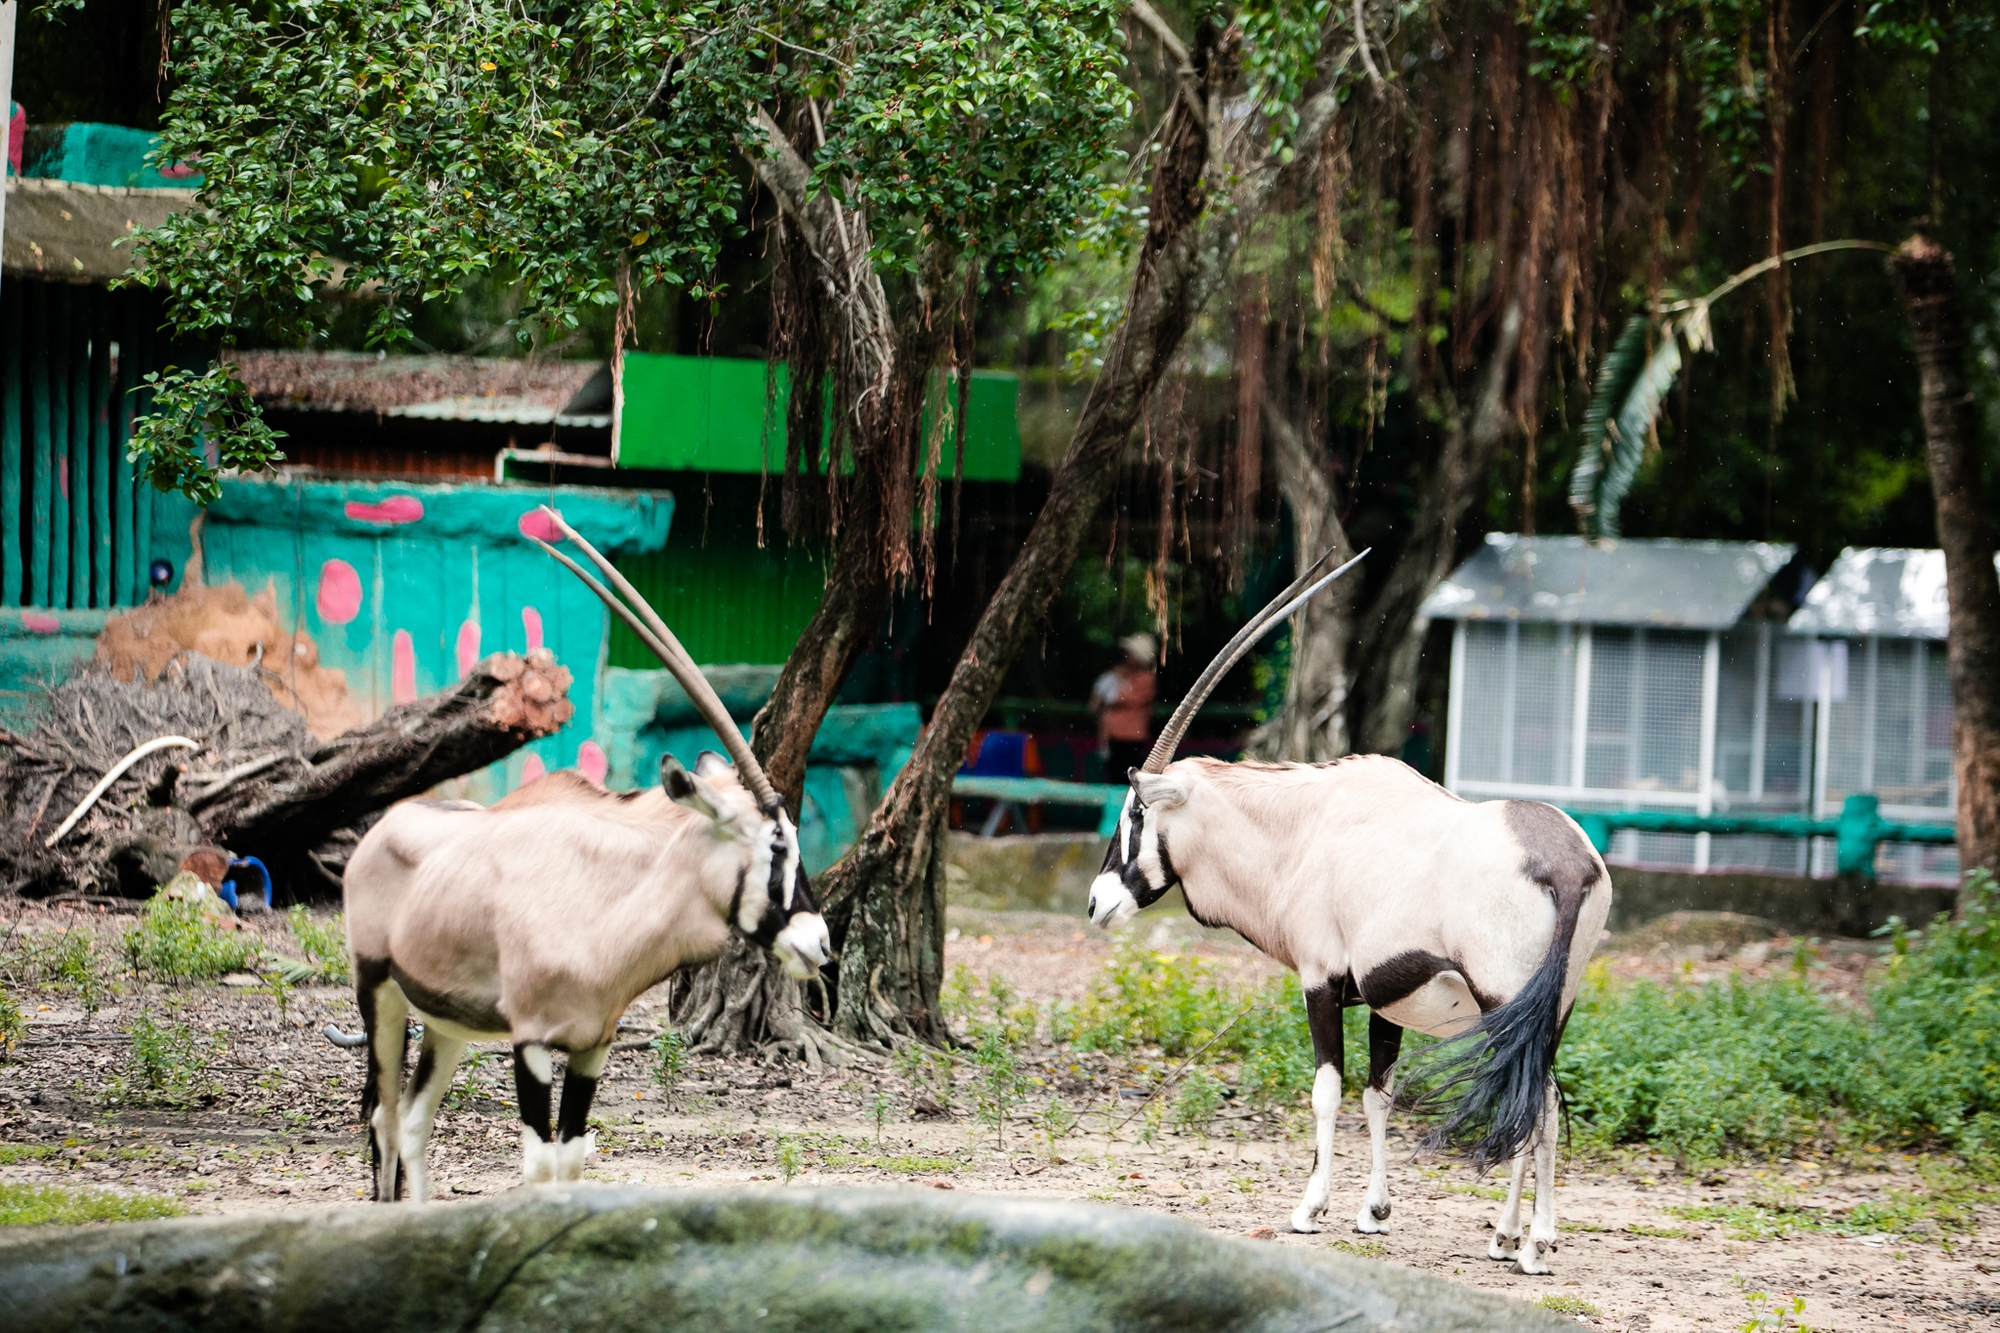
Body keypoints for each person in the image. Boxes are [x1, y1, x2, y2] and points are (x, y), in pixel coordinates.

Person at [1091, 633, 1157, 778]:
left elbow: (1119, 698)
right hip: (1114, 739)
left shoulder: (1145, 679)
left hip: (1131, 740)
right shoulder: (1122, 675)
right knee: (1114, 776)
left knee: (1129, 779)